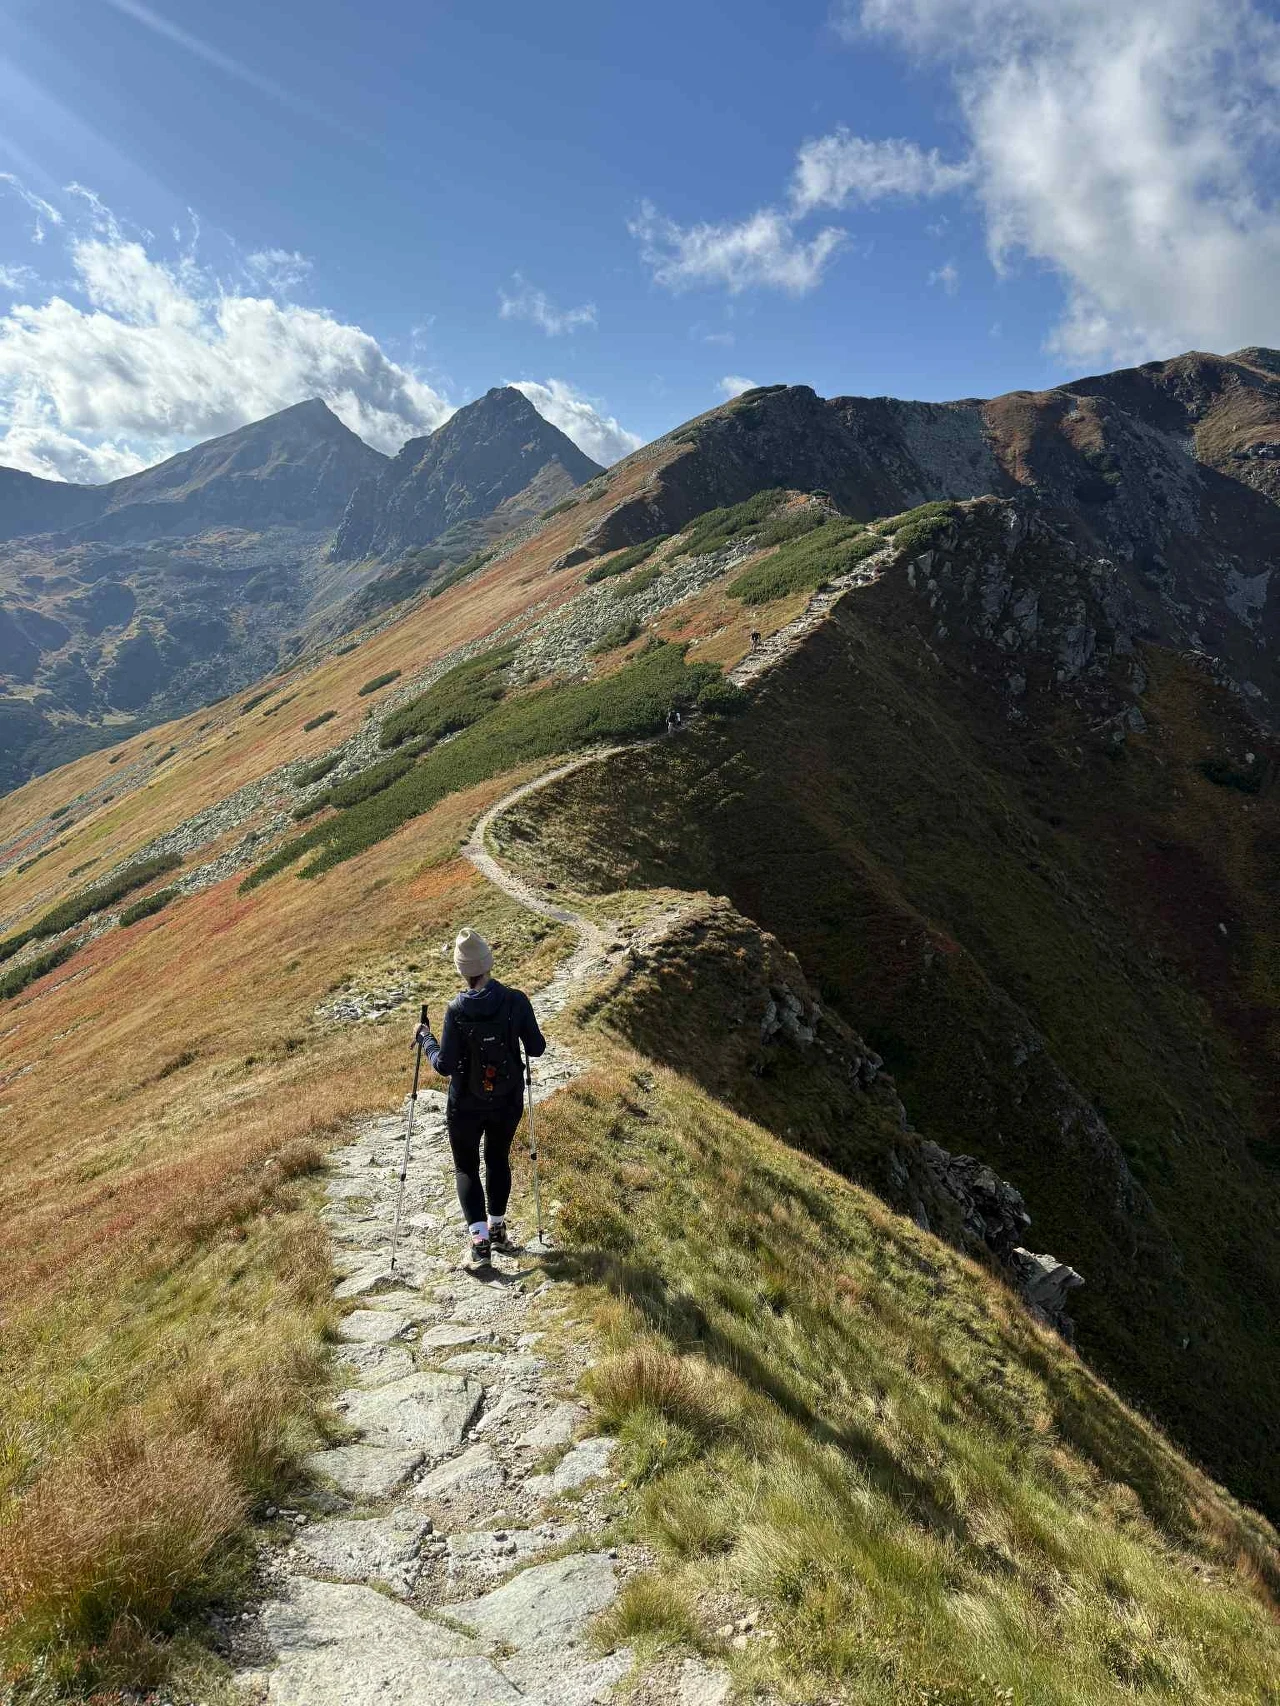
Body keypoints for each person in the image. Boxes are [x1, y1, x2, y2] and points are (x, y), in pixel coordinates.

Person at [415, 928, 546, 1266]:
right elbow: (537, 1048)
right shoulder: (516, 1000)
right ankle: (498, 1229)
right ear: (488, 963)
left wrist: (426, 1039)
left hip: (465, 1104)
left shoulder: (456, 1009)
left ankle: (480, 1244)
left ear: (462, 970)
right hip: (507, 1100)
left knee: (466, 1167)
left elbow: (444, 1065)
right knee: (498, 1158)